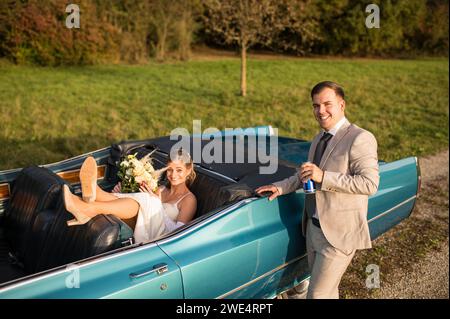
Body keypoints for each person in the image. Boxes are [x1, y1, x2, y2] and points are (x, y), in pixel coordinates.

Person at [256, 81, 379, 299]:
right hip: (312, 230)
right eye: (315, 105)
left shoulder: (360, 138)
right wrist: (280, 187)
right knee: (327, 292)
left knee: (317, 295)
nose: (320, 111)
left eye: (327, 104)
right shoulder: (318, 138)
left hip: (339, 234)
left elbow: (369, 184)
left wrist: (323, 177)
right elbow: (305, 174)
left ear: (342, 105)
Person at [63, 149, 197, 244]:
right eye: (169, 169)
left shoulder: (188, 199)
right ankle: (95, 196)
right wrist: (123, 192)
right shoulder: (161, 189)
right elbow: (143, 209)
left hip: (161, 238)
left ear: (188, 170)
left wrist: (157, 204)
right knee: (144, 200)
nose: (173, 175)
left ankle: (93, 200)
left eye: (179, 170)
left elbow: (177, 233)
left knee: (149, 200)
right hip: (143, 223)